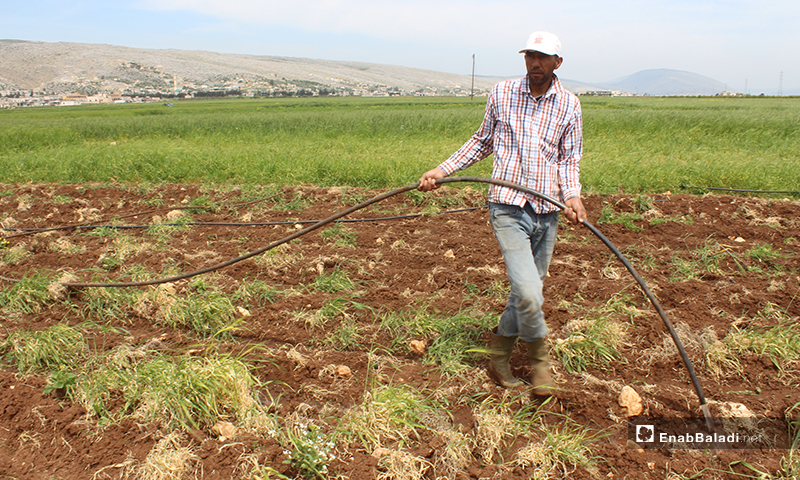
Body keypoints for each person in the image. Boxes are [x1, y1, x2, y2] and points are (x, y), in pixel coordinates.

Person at [418, 31, 586, 397]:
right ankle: (540, 364)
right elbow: (482, 141)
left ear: (558, 63)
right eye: (530, 56)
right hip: (508, 205)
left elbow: (569, 159)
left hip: (547, 209)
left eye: (543, 57)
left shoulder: (570, 105)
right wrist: (442, 170)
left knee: (527, 292)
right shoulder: (503, 93)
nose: (535, 63)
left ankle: (498, 354)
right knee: (529, 292)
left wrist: (572, 196)